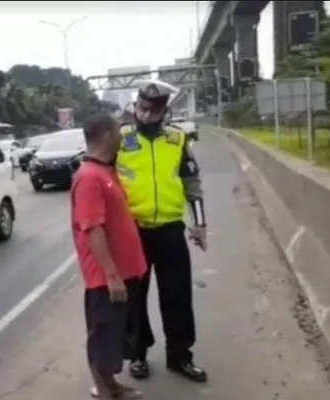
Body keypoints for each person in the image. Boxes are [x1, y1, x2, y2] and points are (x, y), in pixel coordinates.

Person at [115, 79, 208, 383]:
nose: (145, 115)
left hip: (170, 231)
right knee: (134, 297)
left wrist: (200, 224)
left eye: (152, 110)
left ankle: (180, 355)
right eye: (142, 108)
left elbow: (192, 184)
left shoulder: (177, 140)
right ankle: (138, 354)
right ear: (136, 105)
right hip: (132, 233)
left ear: (164, 111)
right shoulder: (120, 139)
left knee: (177, 297)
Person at [70, 112, 146, 399]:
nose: (121, 138)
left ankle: (112, 386)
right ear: (105, 135)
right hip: (106, 278)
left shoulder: (105, 171)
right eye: (117, 132)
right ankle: (103, 391)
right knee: (103, 336)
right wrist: (112, 276)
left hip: (124, 273)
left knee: (115, 336)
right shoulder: (89, 177)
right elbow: (93, 230)